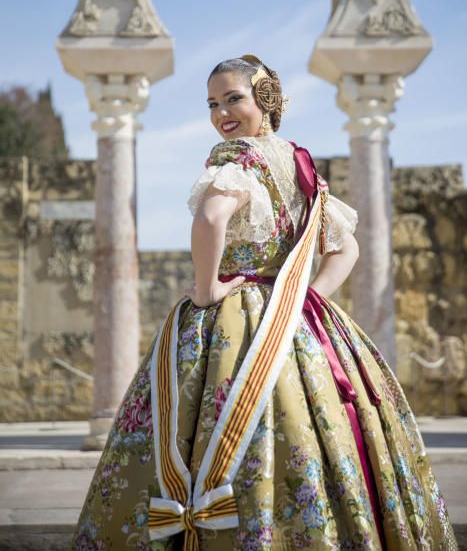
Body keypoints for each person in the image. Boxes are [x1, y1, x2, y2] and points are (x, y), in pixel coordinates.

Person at [72, 55, 457, 550]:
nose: (221, 113)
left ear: (267, 99)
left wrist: (208, 288)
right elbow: (346, 247)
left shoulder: (237, 160)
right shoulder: (301, 170)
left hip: (236, 321)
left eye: (234, 98)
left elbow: (211, 217)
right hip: (297, 320)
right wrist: (307, 297)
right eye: (213, 103)